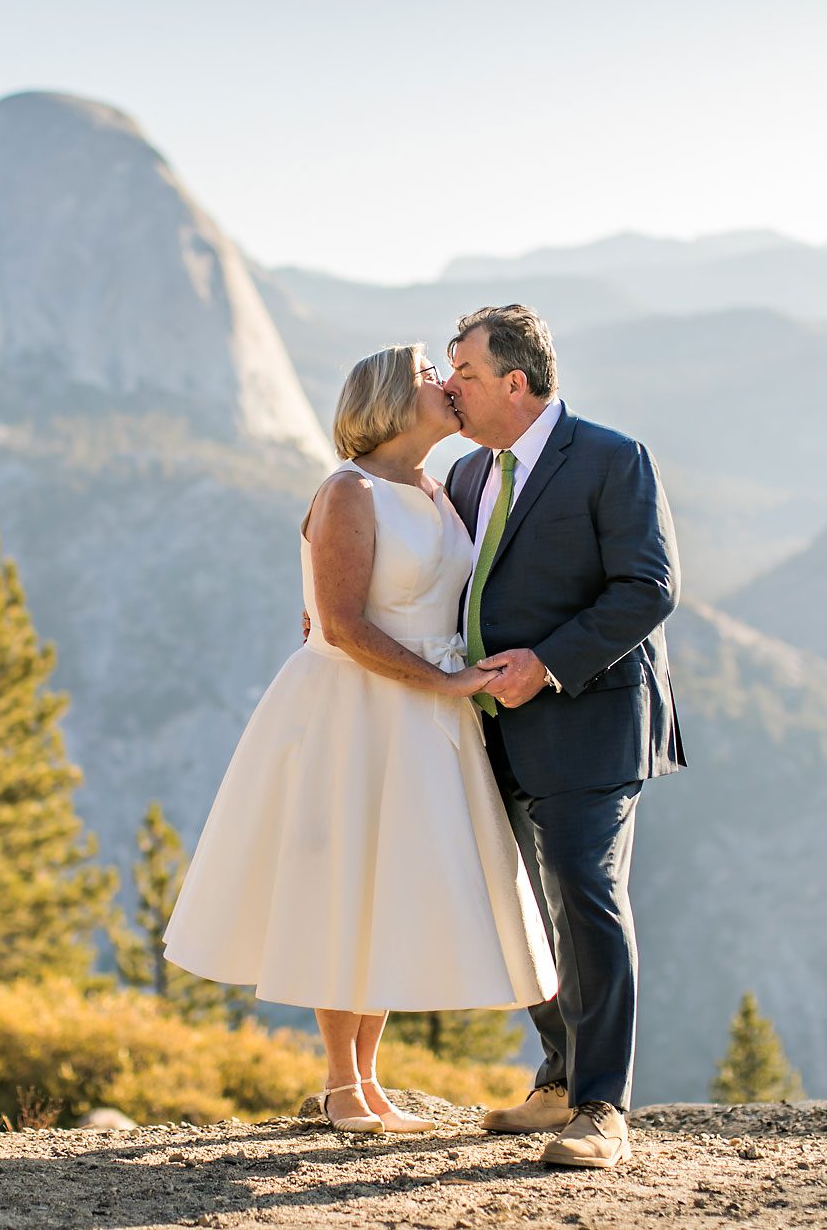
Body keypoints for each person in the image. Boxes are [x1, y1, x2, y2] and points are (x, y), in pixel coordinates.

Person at [163, 344, 559, 1135]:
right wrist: (447, 683)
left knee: (385, 886)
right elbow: (341, 625)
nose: (447, 387)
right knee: (340, 883)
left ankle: (369, 1081)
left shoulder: (437, 490)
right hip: (353, 712)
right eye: (427, 377)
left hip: (419, 715)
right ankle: (343, 1084)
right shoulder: (349, 491)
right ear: (387, 399)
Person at [445, 304, 687, 1169]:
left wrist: (545, 664)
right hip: (492, 728)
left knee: (585, 894)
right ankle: (556, 1079)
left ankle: (602, 1110)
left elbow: (648, 587)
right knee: (521, 907)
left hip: (591, 717)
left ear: (516, 382)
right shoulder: (470, 475)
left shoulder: (613, 459)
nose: (448, 387)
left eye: (464, 374)